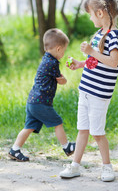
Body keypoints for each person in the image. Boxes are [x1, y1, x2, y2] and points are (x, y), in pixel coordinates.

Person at [59, 0, 118, 182]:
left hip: (99, 94)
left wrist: (92, 51)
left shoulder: (114, 36)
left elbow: (113, 62)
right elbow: (94, 62)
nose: (90, 17)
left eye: (91, 13)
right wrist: (80, 63)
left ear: (101, 13)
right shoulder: (99, 34)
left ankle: (107, 167)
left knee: (97, 132)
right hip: (85, 91)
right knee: (83, 129)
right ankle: (75, 165)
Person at [9, 28, 75, 162]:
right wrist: (64, 80)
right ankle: (67, 147)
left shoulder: (46, 59)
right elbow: (60, 80)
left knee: (29, 127)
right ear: (58, 49)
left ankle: (14, 149)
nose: (63, 53)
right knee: (58, 123)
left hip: (32, 101)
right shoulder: (53, 63)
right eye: (64, 50)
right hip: (41, 103)